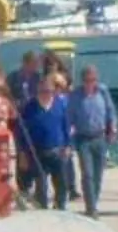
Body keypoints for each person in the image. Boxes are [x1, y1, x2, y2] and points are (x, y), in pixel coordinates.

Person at [18, 71, 75, 210]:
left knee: (61, 183)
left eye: (49, 91)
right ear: (38, 91)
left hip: (57, 150)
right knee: (41, 185)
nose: (46, 94)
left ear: (53, 91)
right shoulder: (29, 107)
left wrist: (68, 145)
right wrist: (23, 153)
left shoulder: (60, 104)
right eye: (43, 91)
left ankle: (59, 207)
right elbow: (22, 132)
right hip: (37, 151)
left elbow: (66, 126)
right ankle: (42, 208)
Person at [69, 64, 117, 214]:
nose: (90, 83)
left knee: (98, 175)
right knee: (87, 174)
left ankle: (93, 201)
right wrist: (69, 141)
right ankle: (91, 208)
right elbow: (69, 118)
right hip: (83, 139)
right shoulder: (75, 96)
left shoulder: (103, 91)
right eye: (87, 80)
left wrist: (113, 128)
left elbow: (110, 111)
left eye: (93, 80)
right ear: (82, 80)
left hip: (100, 138)